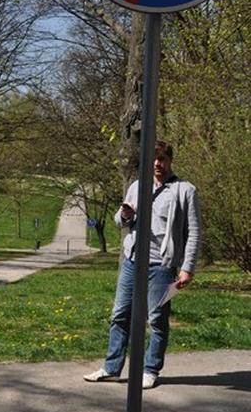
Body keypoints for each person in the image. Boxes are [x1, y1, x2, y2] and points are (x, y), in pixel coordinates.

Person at [84, 141, 201, 390]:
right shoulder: (137, 187)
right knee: (119, 315)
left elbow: (194, 232)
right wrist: (125, 214)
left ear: (170, 161)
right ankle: (111, 367)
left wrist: (187, 267)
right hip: (132, 262)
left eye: (163, 159)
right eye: (154, 159)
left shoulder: (184, 190)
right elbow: (120, 220)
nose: (158, 164)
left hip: (161, 265)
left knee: (157, 320)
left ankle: (150, 370)